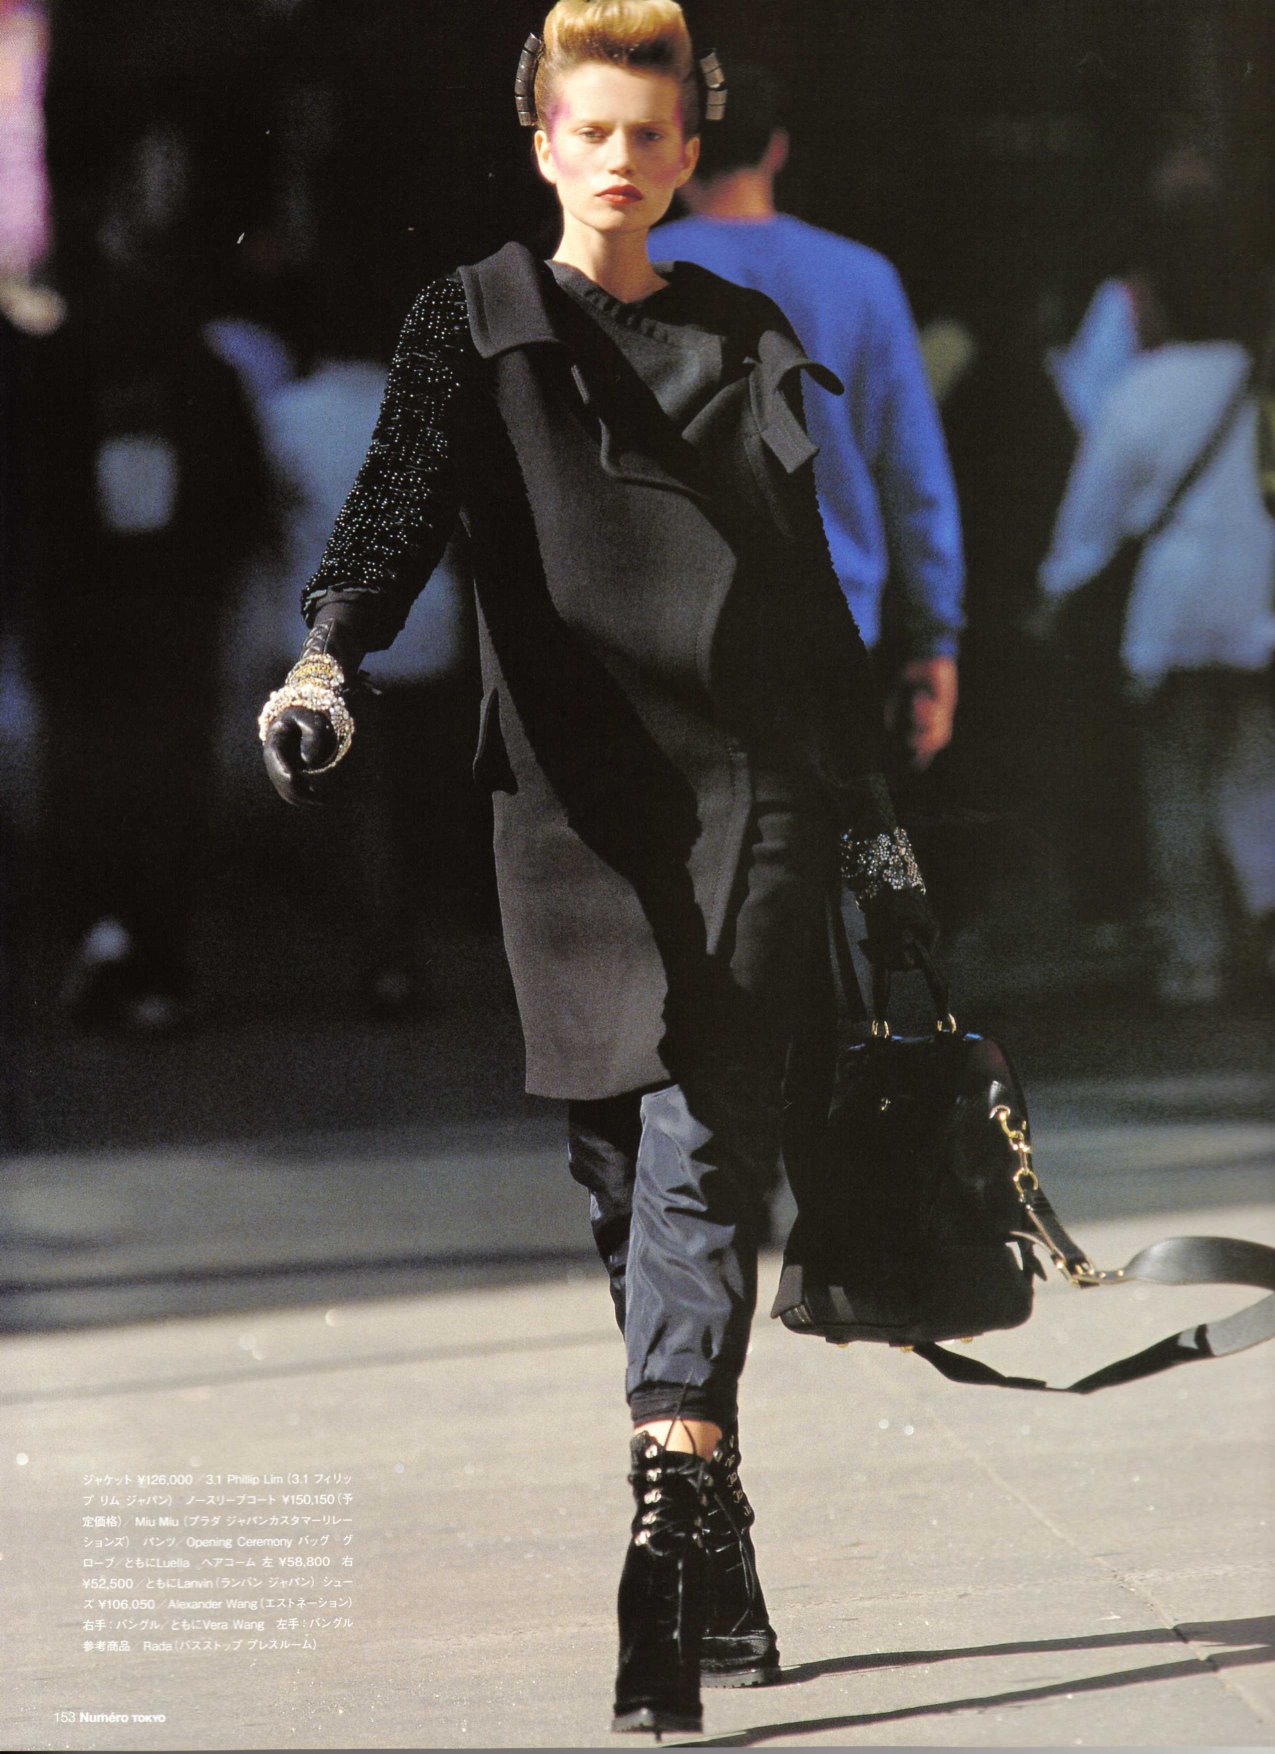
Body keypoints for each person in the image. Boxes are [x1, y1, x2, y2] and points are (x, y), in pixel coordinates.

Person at [258, 1, 936, 1734]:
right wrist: (326, 662)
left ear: (690, 150)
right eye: (593, 129)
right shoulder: (471, 323)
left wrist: (867, 817)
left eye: (652, 132)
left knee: (707, 1135)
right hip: (567, 813)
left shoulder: (739, 330)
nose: (622, 159)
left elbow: (804, 597)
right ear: (543, 139)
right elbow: (394, 508)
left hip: (750, 793)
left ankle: (660, 1533)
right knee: (622, 1178)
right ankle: (719, 1529)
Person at [653, 62, 964, 774]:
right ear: (777, 148)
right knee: (823, 828)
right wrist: (934, 641)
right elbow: (912, 476)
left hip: (676, 636)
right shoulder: (864, 278)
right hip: (830, 627)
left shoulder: (629, 275)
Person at [1039, 204, 1275, 1006]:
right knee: (1253, 777)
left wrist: (1055, 591)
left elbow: (1089, 522)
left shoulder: (1140, 391)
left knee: (1174, 787)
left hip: (1172, 618)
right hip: (1258, 607)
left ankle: (1196, 957)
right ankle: (1263, 935)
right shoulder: (1255, 376)